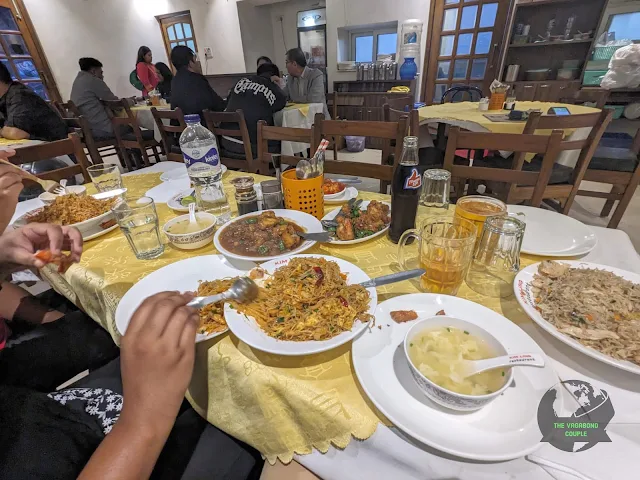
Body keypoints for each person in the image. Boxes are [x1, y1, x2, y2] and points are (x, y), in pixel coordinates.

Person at [220, 62, 287, 157]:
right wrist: (279, 87)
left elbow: (227, 102)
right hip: (250, 148)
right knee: (284, 142)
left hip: (226, 142)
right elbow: (281, 103)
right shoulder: (271, 86)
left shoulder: (241, 81)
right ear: (275, 77)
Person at [0, 62, 67, 141]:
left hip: (58, 147)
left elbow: (14, 133)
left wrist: (3, 131)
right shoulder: (6, 97)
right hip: (41, 147)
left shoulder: (20, 95)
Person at [70, 57, 133, 140]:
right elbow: (116, 103)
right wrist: (132, 101)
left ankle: (127, 152)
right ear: (93, 71)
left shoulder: (77, 82)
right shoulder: (93, 80)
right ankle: (131, 152)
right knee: (132, 127)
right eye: (101, 72)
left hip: (87, 129)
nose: (102, 75)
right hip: (102, 128)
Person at [170, 45, 225, 118]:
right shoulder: (197, 79)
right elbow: (217, 105)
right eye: (195, 60)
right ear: (190, 63)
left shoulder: (174, 81)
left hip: (182, 127)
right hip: (199, 126)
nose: (198, 63)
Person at [283, 47, 329, 118]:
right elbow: (284, 96)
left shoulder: (316, 75)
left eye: (287, 62)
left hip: (318, 118)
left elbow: (313, 99)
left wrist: (294, 100)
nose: (285, 66)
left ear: (294, 64)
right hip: (298, 118)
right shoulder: (290, 78)